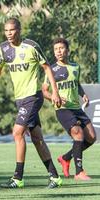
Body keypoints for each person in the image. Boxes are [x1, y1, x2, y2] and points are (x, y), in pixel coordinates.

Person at [0, 18, 63, 189]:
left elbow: (47, 68)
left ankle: (18, 178)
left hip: (33, 96)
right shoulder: (3, 49)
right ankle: (55, 176)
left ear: (19, 30)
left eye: (12, 30)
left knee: (17, 133)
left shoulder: (31, 46)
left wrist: (55, 92)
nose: (9, 33)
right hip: (20, 99)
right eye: (6, 30)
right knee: (37, 139)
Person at [42, 38, 96, 180]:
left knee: (91, 138)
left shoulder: (75, 67)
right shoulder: (51, 70)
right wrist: (54, 97)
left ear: (67, 50)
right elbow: (44, 91)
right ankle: (79, 172)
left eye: (61, 48)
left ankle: (65, 158)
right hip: (62, 109)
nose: (58, 51)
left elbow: (77, 84)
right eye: (56, 49)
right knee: (78, 133)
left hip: (77, 108)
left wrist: (83, 94)